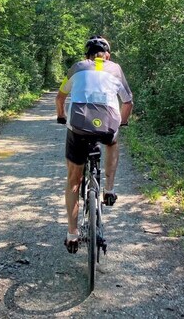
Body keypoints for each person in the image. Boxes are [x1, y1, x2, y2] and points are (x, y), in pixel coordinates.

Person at [55, 35, 133, 254]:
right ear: (107, 55)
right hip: (108, 123)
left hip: (79, 125)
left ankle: (72, 234)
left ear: (86, 55)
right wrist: (123, 122)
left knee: (73, 180)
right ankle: (109, 189)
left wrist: (61, 117)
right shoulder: (115, 69)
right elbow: (128, 102)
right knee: (112, 141)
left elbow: (60, 98)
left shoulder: (77, 67)